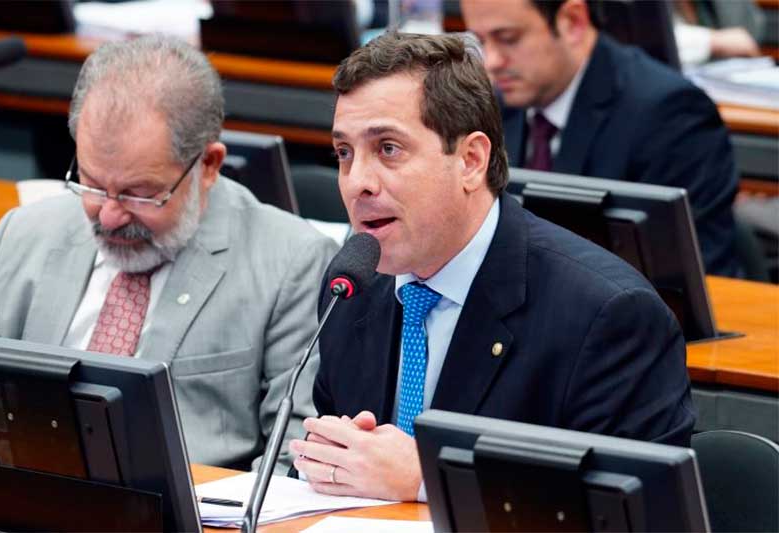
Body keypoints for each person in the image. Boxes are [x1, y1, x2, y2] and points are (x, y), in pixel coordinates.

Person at [290, 31, 695, 502]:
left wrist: (428, 480)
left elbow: (633, 515)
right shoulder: (352, 289)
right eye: (344, 153)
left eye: (387, 149)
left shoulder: (608, 317)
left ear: (470, 160)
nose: (357, 181)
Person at [0, 36, 339, 472]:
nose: (109, 216)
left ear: (208, 165)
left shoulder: (292, 264)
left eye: (139, 194)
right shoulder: (23, 236)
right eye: (92, 183)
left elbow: (297, 455)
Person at [460, 0, 741, 277]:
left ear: (572, 22)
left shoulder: (670, 114)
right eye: (480, 42)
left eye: (508, 39)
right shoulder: (493, 104)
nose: (492, 62)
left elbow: (692, 277)